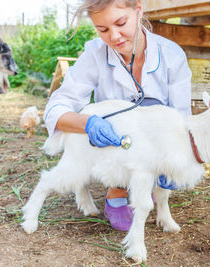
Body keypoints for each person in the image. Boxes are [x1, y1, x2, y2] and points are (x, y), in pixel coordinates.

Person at [43, 0, 192, 231]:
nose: (114, 37)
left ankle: (150, 183)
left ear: (139, 11)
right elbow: (57, 107)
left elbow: (182, 119)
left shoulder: (173, 56)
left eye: (121, 23)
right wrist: (88, 123)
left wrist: (176, 159)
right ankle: (117, 188)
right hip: (115, 150)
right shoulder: (95, 53)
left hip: (154, 148)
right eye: (102, 30)